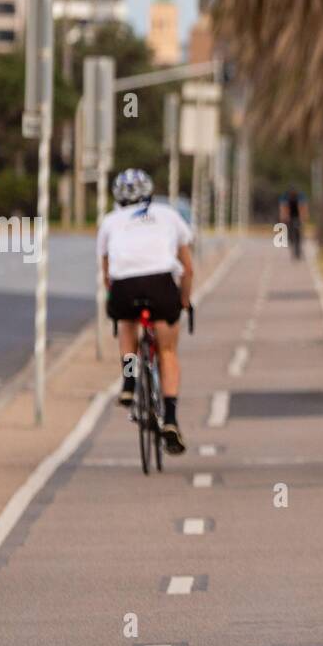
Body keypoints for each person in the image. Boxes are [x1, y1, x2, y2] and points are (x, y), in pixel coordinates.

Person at [98, 168, 194, 454]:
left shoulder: (110, 221)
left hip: (125, 286)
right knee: (167, 351)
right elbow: (188, 269)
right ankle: (172, 419)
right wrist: (184, 300)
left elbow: (107, 275)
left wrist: (114, 298)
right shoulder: (168, 214)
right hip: (161, 284)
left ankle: (129, 380)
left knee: (127, 325)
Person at [278, 187, 308, 260]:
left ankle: (298, 247)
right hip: (289, 214)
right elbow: (283, 208)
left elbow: (304, 207)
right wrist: (283, 217)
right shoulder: (285, 196)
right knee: (289, 231)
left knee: (298, 231)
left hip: (298, 214)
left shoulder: (301, 196)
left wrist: (303, 217)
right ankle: (291, 240)